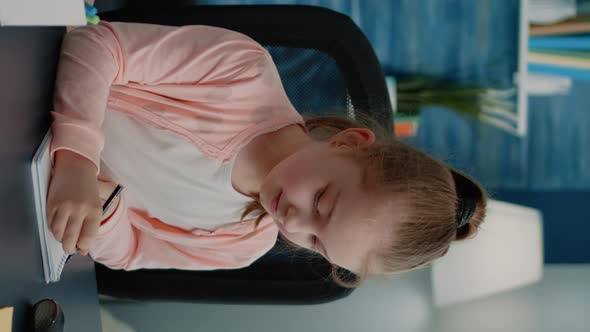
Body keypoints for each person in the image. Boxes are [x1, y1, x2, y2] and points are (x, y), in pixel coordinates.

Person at [47, 21, 487, 289]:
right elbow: (99, 46)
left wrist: (103, 215)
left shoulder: (240, 247)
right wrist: (76, 161)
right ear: (349, 143)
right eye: (321, 202)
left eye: (316, 242)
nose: (294, 224)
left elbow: (133, 250)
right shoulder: (242, 72)